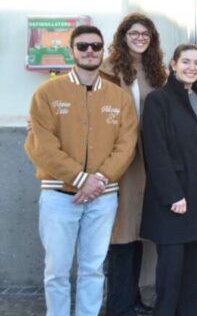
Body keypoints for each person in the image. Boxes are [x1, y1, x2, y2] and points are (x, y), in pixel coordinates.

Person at [25, 24, 138, 316]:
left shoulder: (119, 98)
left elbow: (126, 145)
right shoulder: (47, 93)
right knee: (57, 270)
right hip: (59, 196)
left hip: (102, 196)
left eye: (96, 46)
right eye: (83, 46)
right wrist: (79, 179)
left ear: (102, 51)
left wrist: (98, 180)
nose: (90, 51)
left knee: (93, 269)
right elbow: (41, 144)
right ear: (71, 50)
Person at [101, 13, 167, 316]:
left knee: (138, 229)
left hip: (149, 157)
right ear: (123, 36)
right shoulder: (107, 70)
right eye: (134, 33)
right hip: (120, 158)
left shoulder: (156, 72)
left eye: (145, 34)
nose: (140, 38)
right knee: (121, 231)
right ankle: (118, 304)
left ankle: (133, 297)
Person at [140, 45, 197, 316]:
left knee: (195, 271)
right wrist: (173, 194)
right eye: (186, 62)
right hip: (173, 198)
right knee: (171, 273)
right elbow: (155, 150)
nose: (192, 67)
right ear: (173, 64)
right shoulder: (158, 100)